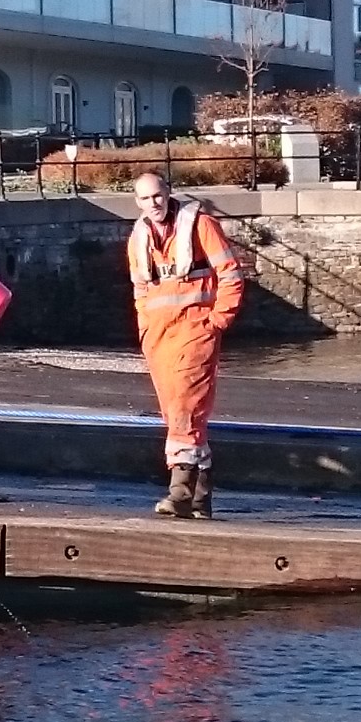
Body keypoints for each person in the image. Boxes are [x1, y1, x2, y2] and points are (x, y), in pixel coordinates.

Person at [127, 168, 242, 518]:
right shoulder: (139, 237)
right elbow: (140, 289)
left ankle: (179, 491)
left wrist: (217, 320)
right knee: (177, 412)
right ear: (137, 202)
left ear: (168, 193)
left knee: (185, 409)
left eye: (157, 195)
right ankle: (200, 499)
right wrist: (145, 327)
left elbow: (231, 275)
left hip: (195, 330)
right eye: (146, 198)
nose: (153, 203)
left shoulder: (201, 226)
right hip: (159, 337)